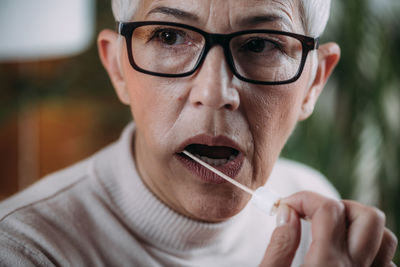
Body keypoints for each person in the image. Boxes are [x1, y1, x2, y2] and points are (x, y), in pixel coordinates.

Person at [0, 0, 397, 266]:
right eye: (170, 36)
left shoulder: (317, 212)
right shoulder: (23, 250)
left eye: (260, 44)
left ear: (314, 84)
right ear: (118, 69)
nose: (214, 94)